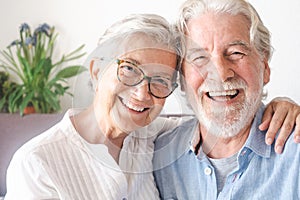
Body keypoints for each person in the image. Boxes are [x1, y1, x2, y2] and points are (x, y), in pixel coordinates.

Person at [4, 12, 300, 200]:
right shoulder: (36, 164)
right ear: (96, 70)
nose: (142, 94)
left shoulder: (153, 137)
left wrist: (284, 105)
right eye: (129, 68)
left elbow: (216, 121)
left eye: (159, 79)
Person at [153, 0, 300, 199]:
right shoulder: (159, 155)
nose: (220, 74)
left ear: (265, 69)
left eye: (235, 53)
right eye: (200, 58)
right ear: (182, 76)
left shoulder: (295, 153)